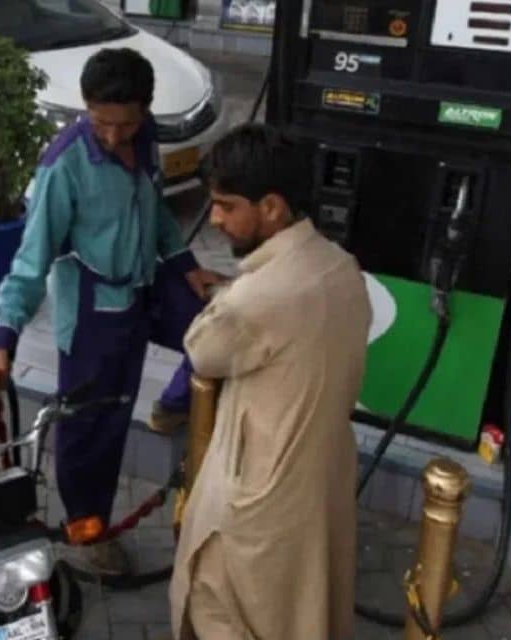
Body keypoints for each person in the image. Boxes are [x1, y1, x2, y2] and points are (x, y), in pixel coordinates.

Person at [0, 48, 221, 575]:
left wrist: (186, 265)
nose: (112, 135)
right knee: (94, 429)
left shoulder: (148, 136)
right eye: (100, 122)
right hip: (94, 311)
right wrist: (2, 337)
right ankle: (88, 532)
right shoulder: (63, 166)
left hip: (148, 284)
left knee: (214, 332)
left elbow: (156, 212)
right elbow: (30, 258)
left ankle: (174, 404)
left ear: (144, 110)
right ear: (86, 109)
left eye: (125, 124)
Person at [169, 124, 367, 640]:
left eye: (226, 206)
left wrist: (229, 296)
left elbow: (202, 351)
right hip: (320, 483)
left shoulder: (253, 301)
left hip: (255, 503)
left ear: (273, 207)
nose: (214, 220)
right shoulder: (342, 268)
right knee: (304, 610)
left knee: (223, 615)